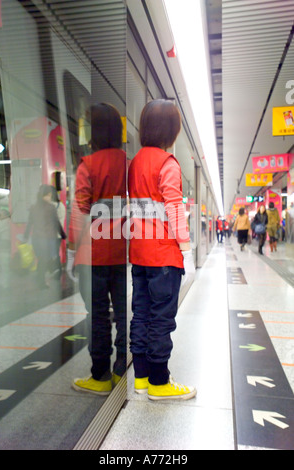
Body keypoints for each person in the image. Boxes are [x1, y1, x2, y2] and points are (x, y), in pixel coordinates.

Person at [128, 99, 197, 401]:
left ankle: (141, 378)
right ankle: (160, 383)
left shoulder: (135, 163)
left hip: (139, 255)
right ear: (171, 130)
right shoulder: (168, 164)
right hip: (164, 257)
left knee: (141, 313)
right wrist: (188, 251)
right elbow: (174, 210)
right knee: (161, 319)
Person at [68, 103, 126, 396]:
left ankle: (100, 376)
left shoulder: (87, 165)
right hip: (121, 252)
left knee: (98, 315)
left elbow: (80, 211)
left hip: (91, 254)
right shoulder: (127, 162)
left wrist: (69, 250)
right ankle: (123, 369)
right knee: (125, 314)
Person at [24, 184, 66, 288]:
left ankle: (40, 280)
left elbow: (30, 223)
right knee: (44, 260)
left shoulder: (34, 207)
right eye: (49, 195)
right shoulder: (51, 208)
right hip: (47, 239)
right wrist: (63, 235)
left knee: (41, 259)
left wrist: (25, 236)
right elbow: (56, 222)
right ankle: (41, 282)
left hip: (36, 239)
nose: (50, 197)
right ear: (47, 195)